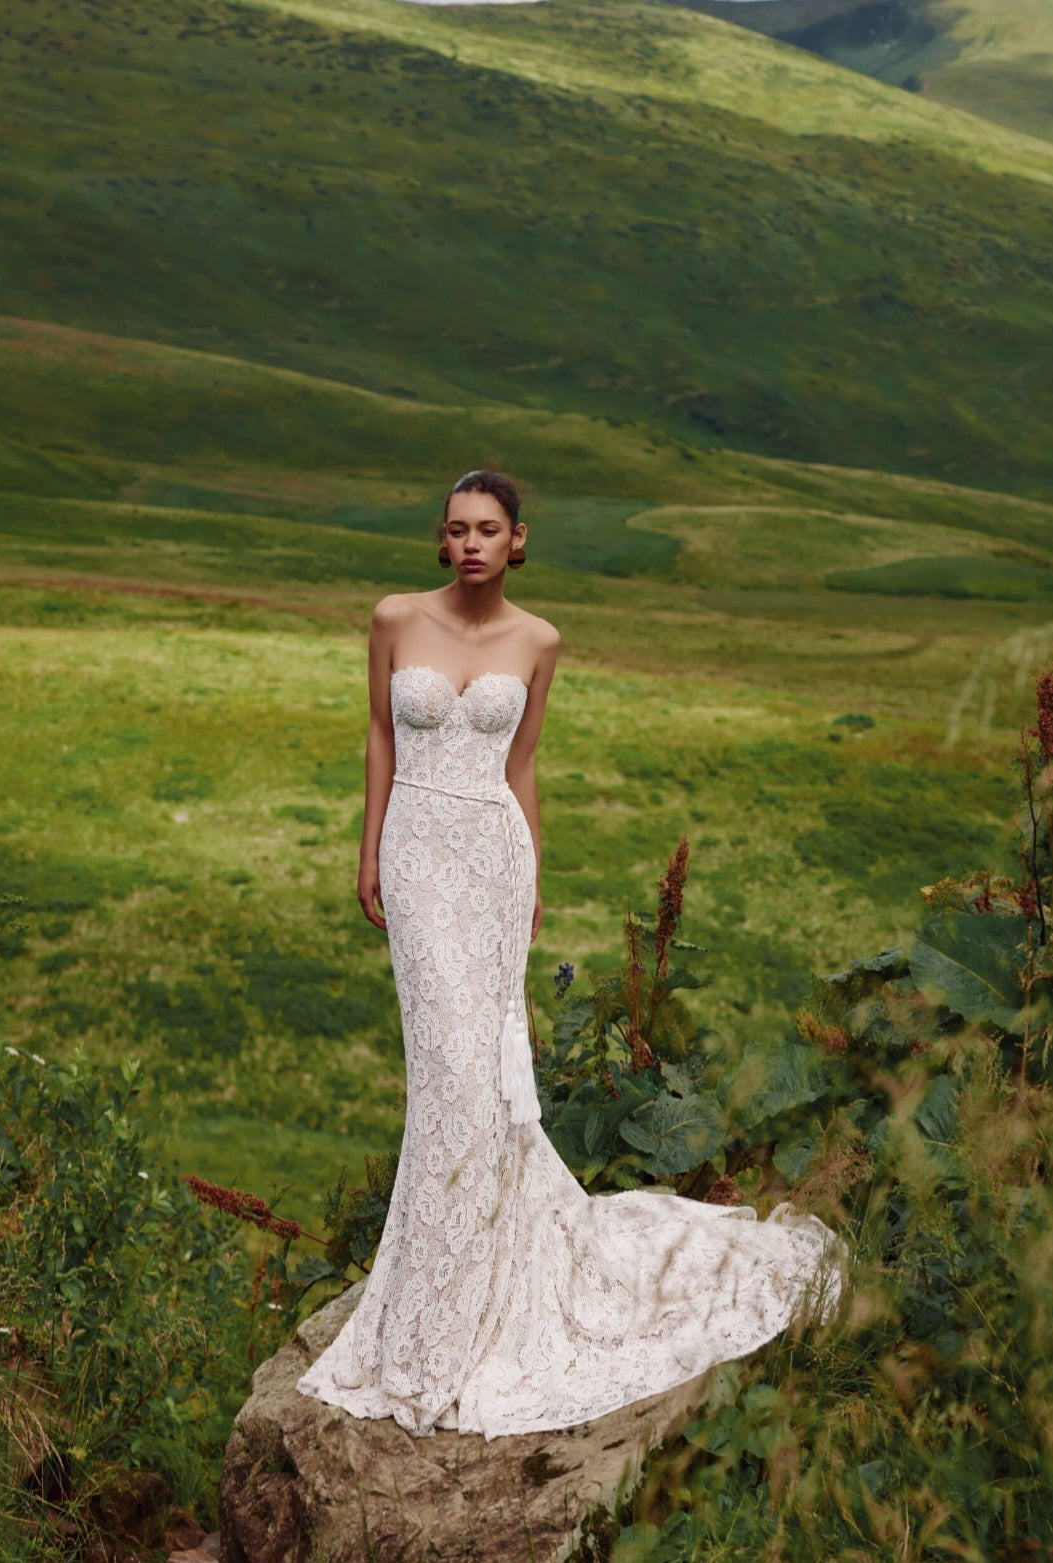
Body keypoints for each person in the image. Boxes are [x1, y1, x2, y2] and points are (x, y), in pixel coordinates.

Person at [294, 467, 845, 1441]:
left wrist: (533, 874)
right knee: (450, 1070)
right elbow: (380, 733)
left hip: (495, 859)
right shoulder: (393, 618)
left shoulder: (538, 640)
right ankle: (433, 1304)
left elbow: (522, 765)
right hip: (420, 858)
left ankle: (482, 1288)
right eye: (457, 528)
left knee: (488, 1076)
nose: (471, 543)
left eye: (489, 529)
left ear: (517, 542)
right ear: (442, 539)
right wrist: (368, 845)